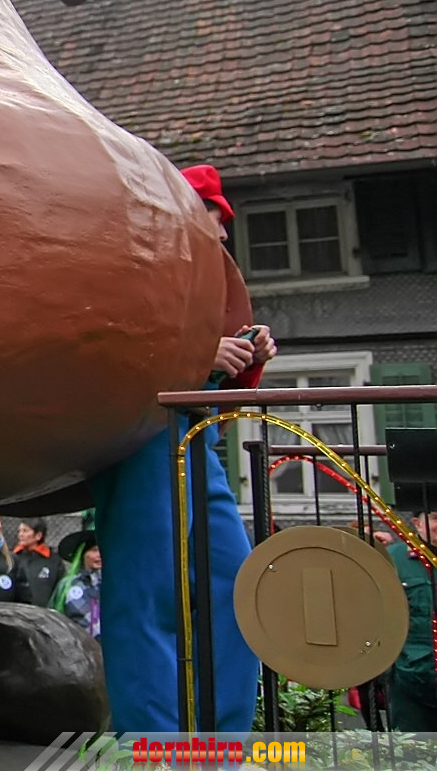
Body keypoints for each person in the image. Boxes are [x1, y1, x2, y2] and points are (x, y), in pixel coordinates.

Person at [87, 162, 277, 732]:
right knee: (148, 590)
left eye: (223, 220)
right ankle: (154, 747)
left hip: (199, 440)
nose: (222, 232)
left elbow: (217, 386)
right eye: (212, 216)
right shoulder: (130, 264)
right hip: (142, 436)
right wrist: (197, 351)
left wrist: (245, 354)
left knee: (236, 587)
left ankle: (223, 745)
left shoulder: (206, 280)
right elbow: (104, 343)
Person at [387, 508, 437, 730]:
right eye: (435, 518)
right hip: (410, 676)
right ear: (417, 523)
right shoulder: (394, 559)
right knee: (413, 746)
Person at [56, 531, 102, 638]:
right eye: (94, 550)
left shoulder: (113, 584)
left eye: (102, 550)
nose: (99, 555)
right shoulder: (70, 584)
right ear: (83, 554)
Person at [13, 517, 59, 608]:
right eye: (19, 531)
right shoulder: (14, 558)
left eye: (25, 531)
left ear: (38, 535)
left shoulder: (53, 560)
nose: (20, 535)